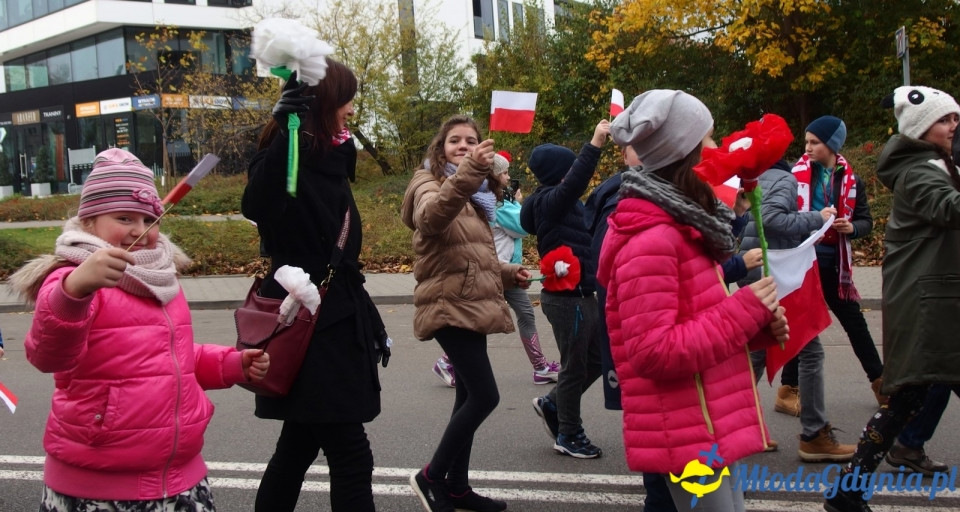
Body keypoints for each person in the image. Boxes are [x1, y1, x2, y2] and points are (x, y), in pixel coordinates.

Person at [8, 148, 270, 511]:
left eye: (149, 217)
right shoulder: (76, 279)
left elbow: (169, 358)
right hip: (97, 487)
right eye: (124, 217)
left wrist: (231, 364)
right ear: (89, 223)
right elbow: (48, 355)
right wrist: (75, 290)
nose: (140, 230)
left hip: (181, 479)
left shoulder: (161, 277)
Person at [597, 90, 788, 512]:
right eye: (708, 140)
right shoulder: (652, 239)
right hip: (687, 432)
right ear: (684, 155)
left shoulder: (685, 224)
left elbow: (699, 318)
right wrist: (745, 310)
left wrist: (756, 328)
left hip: (708, 418)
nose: (717, 151)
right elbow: (654, 352)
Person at [243, 63, 389, 512]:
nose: (350, 108)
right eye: (344, 98)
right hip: (310, 322)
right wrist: (286, 132)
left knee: (298, 446)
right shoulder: (288, 157)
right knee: (350, 454)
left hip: (335, 317)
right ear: (321, 104)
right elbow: (258, 206)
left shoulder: (330, 157)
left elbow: (342, 257)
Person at [824, 85, 960, 512]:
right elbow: (950, 210)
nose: (953, 125)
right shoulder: (920, 171)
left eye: (956, 117)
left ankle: (848, 490)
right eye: (944, 119)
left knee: (907, 398)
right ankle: (848, 490)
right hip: (929, 303)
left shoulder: (935, 164)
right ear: (921, 127)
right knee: (907, 397)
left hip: (937, 300)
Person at [401, 114, 529, 512]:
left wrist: (508, 273)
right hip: (447, 302)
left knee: (469, 395)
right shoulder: (428, 183)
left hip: (468, 300)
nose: (462, 144)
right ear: (441, 148)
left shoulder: (476, 195)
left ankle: (456, 487)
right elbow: (430, 218)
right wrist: (471, 172)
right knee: (485, 396)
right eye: (454, 140)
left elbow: (466, 253)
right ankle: (430, 476)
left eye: (470, 140)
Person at [738, 159, 857, 463]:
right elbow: (772, 219)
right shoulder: (785, 179)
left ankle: (739, 428)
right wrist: (816, 217)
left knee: (757, 352)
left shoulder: (758, 175)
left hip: (758, 269)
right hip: (776, 273)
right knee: (809, 349)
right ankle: (813, 435)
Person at [431, 153, 559, 389]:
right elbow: (523, 226)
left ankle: (540, 367)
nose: (508, 177)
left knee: (516, 315)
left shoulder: (497, 199)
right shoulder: (496, 202)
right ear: (493, 175)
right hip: (495, 271)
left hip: (504, 272)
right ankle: (447, 361)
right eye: (504, 173)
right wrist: (518, 203)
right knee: (481, 320)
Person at [521, 120, 610, 459]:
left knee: (598, 359)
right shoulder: (551, 201)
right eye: (570, 166)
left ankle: (553, 403)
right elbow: (575, 183)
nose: (574, 171)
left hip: (583, 295)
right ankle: (569, 434)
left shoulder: (564, 203)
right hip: (566, 299)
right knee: (573, 366)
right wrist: (595, 143)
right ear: (561, 171)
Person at [794, 115, 885, 406]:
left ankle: (880, 383)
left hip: (835, 262)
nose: (807, 147)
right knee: (801, 324)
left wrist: (852, 228)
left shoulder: (852, 179)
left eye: (814, 142)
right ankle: (787, 389)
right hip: (805, 259)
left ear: (832, 145)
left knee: (854, 322)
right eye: (806, 141)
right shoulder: (793, 175)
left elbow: (866, 221)